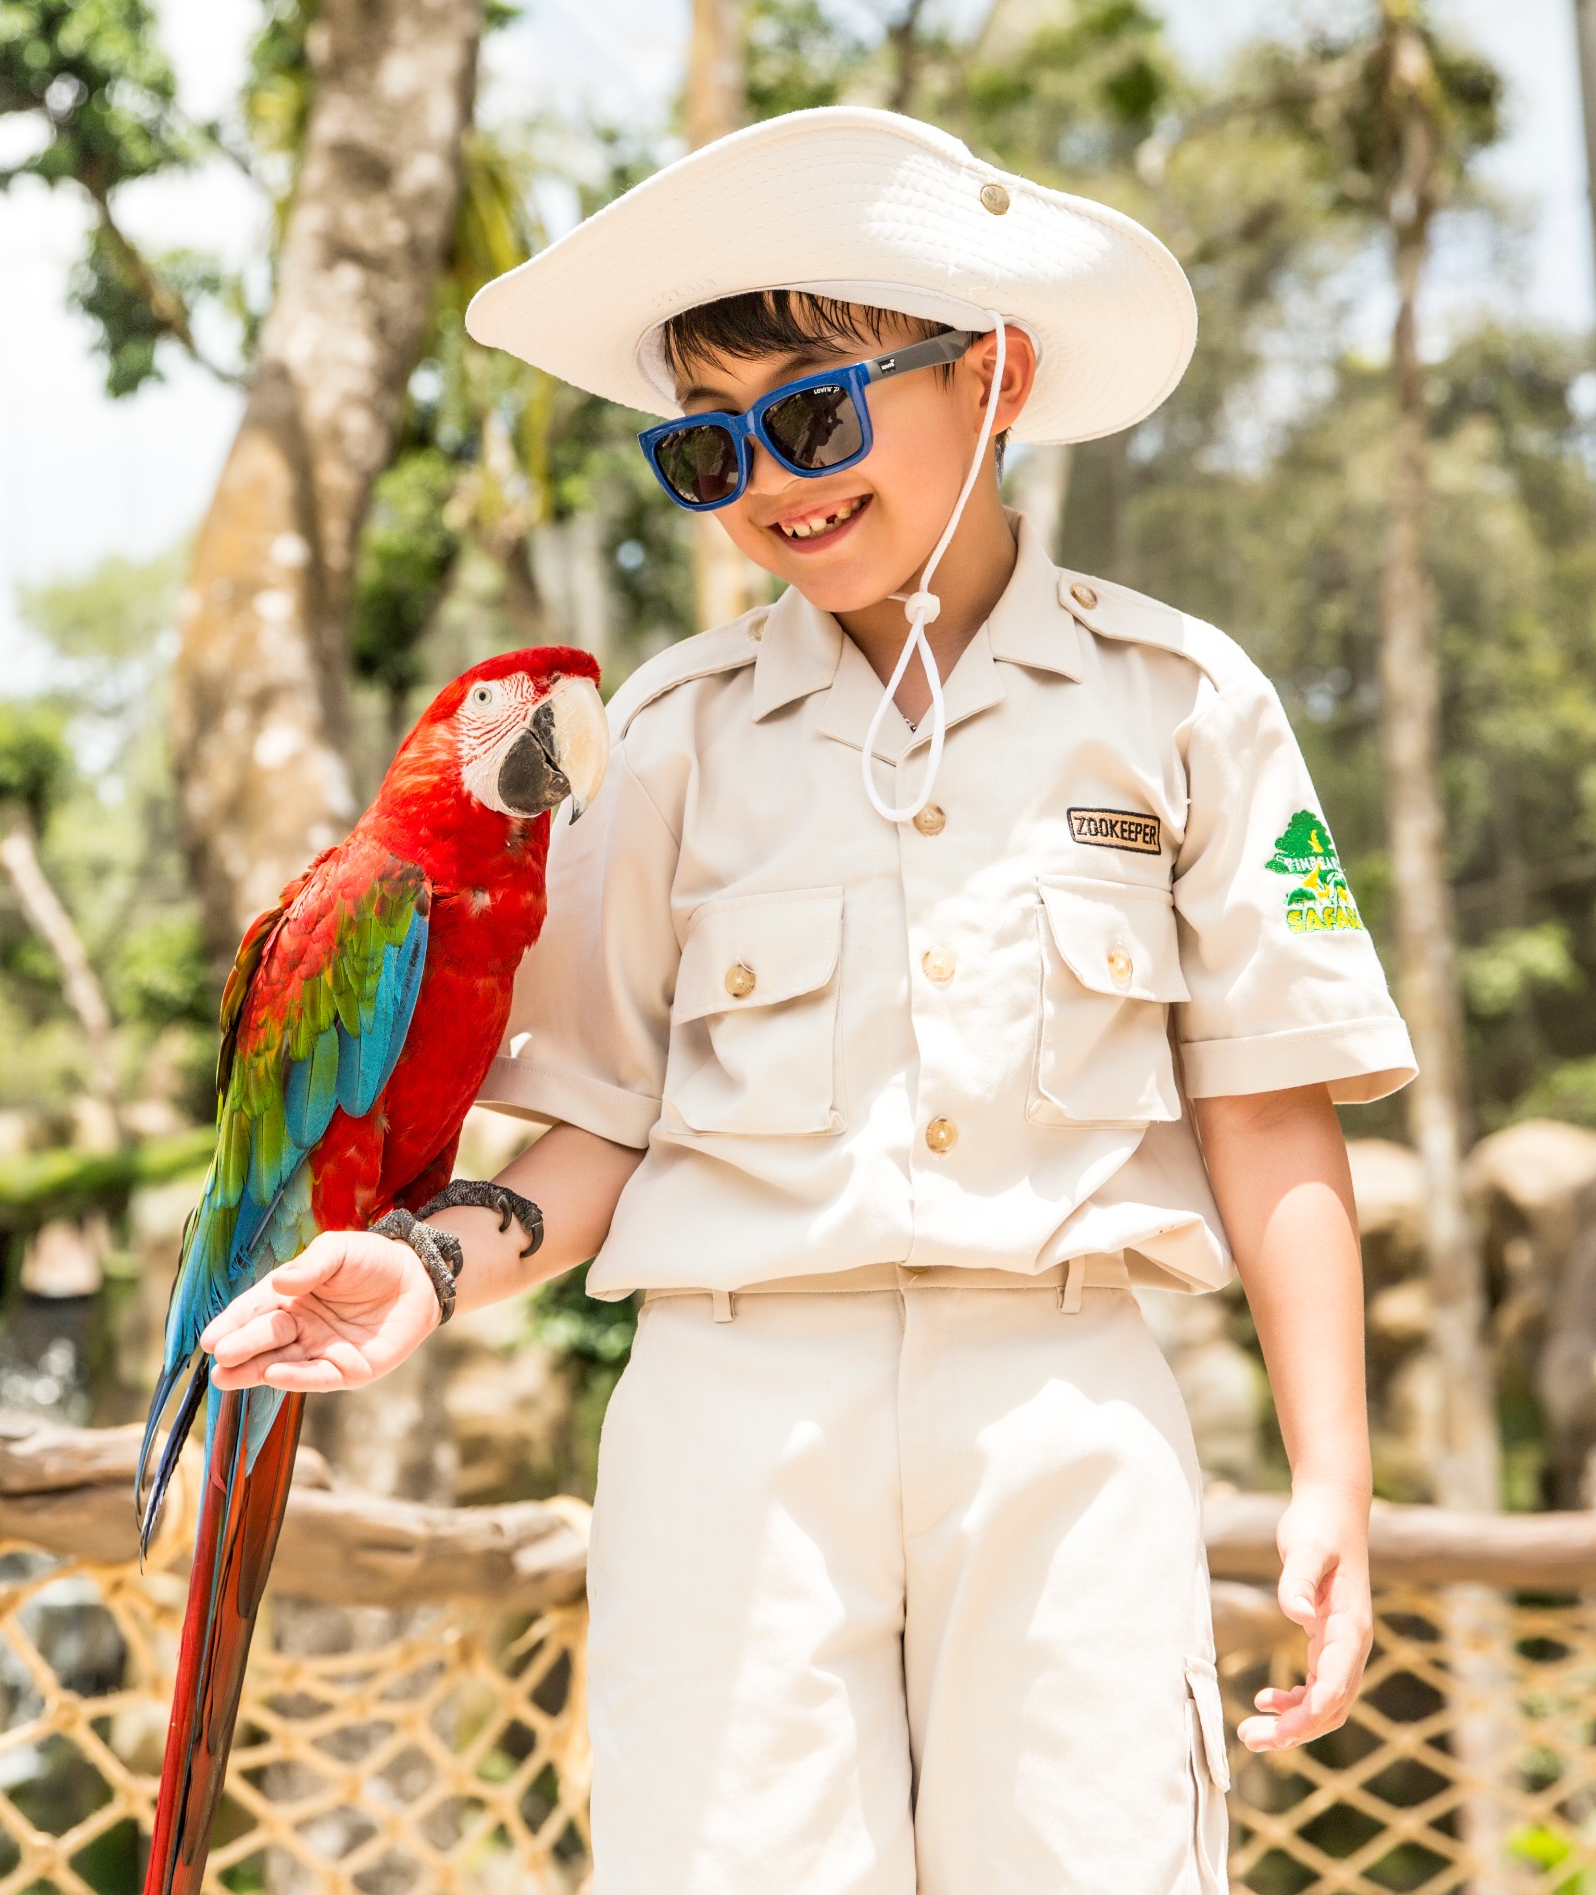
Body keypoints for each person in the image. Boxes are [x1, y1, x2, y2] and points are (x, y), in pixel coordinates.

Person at [194, 105, 1412, 1895]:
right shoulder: (664, 742)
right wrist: (427, 1266)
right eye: (708, 452)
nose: (772, 482)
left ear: (990, 375)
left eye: (816, 416)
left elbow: (1268, 1103)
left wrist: (1336, 1483)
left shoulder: (1184, 703)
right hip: (734, 1426)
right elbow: (601, 1122)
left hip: (1069, 1410)